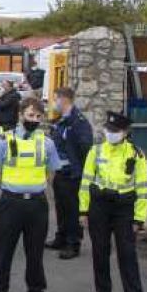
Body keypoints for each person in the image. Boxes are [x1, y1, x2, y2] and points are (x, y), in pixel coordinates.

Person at [0, 98, 63, 292]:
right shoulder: (4, 140)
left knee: (36, 253)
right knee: (4, 251)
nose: (34, 120)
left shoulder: (47, 143)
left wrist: (35, 186)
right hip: (11, 202)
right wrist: (12, 188)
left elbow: (52, 172)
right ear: (21, 115)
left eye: (38, 116)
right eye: (31, 115)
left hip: (37, 204)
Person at [79, 111, 147, 292]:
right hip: (99, 205)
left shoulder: (136, 154)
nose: (110, 134)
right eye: (108, 130)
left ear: (125, 132)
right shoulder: (96, 151)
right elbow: (86, 182)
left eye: (116, 131)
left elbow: (143, 188)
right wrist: (83, 210)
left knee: (127, 254)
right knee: (100, 251)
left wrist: (139, 218)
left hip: (124, 207)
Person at [46, 87, 93, 260]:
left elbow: (85, 147)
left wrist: (78, 169)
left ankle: (73, 243)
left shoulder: (78, 122)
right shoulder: (62, 121)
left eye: (55, 98)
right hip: (60, 171)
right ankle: (61, 237)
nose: (53, 103)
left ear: (63, 100)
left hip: (72, 174)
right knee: (61, 207)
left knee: (72, 209)